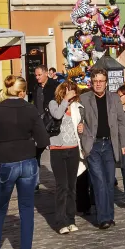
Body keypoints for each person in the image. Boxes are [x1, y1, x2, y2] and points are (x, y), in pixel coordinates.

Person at [0, 73, 50, 249]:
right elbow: (44, 140)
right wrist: (34, 155)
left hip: (6, 163)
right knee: (27, 210)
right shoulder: (30, 109)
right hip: (28, 162)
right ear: (22, 91)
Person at [76, 66, 125, 229]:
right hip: (93, 145)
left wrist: (124, 143)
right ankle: (103, 218)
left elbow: (121, 121)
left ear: (106, 83)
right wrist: (80, 126)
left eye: (101, 81)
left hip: (110, 145)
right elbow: (79, 118)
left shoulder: (114, 99)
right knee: (98, 181)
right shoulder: (84, 99)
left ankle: (110, 215)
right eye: (95, 81)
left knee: (108, 181)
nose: (98, 84)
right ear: (91, 82)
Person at [47, 81, 82, 234]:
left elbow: (79, 124)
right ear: (63, 91)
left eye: (75, 93)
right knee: (62, 186)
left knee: (72, 187)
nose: (74, 95)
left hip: (73, 149)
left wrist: (82, 127)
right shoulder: (53, 103)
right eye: (71, 92)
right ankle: (61, 222)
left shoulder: (76, 107)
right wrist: (66, 100)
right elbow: (57, 115)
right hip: (58, 150)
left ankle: (71, 219)